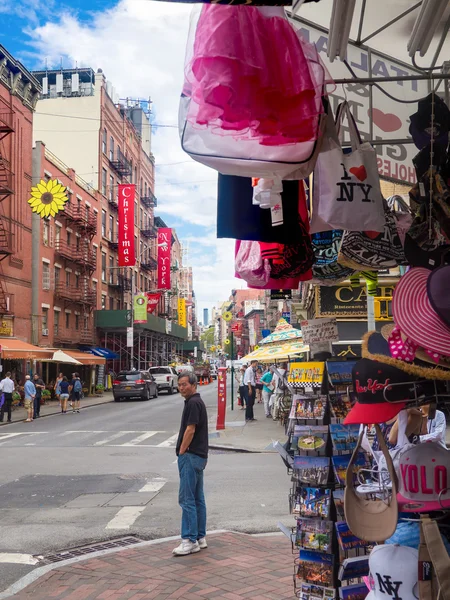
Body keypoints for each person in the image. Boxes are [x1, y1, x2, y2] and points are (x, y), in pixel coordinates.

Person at [173, 372, 208, 556]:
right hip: (199, 456)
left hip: (191, 455)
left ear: (194, 384)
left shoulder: (193, 403)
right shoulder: (196, 401)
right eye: (179, 384)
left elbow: (190, 429)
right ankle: (200, 537)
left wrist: (182, 450)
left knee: (187, 499)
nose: (181, 387)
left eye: (185, 384)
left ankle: (189, 540)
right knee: (197, 498)